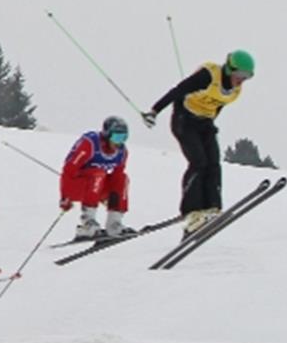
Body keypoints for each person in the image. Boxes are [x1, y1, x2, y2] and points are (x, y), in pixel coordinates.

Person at [140, 49, 254, 236]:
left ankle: (212, 208)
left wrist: (210, 124)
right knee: (198, 162)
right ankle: (192, 213)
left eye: (247, 76)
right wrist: (154, 111)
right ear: (229, 68)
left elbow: (218, 105)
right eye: (240, 74)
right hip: (184, 120)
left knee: (214, 164)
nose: (242, 79)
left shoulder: (235, 90)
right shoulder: (208, 76)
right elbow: (178, 91)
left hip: (205, 123)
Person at [60, 115, 134, 240]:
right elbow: (68, 170)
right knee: (98, 173)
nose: (119, 142)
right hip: (76, 184)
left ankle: (114, 223)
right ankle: (87, 223)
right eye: (116, 137)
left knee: (122, 178)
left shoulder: (122, 153)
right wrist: (65, 197)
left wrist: (111, 199)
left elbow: (116, 178)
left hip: (96, 187)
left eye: (123, 137)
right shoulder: (90, 144)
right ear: (107, 134)